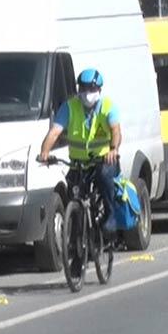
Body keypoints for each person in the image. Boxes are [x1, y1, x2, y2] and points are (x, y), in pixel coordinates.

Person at [38, 67, 122, 221]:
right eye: (83, 88)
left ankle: (111, 216)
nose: (87, 93)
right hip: (78, 164)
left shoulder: (108, 107)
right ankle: (73, 231)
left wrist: (113, 149)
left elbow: (116, 131)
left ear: (99, 89)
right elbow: (55, 131)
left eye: (91, 88)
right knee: (72, 192)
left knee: (105, 179)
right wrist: (44, 152)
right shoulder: (70, 107)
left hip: (103, 161)